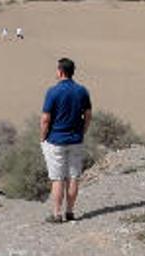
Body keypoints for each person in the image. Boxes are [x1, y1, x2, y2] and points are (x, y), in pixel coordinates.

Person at [39, 57, 92, 223]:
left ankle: (57, 213)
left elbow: (45, 119)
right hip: (76, 140)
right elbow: (88, 115)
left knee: (57, 178)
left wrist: (43, 137)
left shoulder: (53, 91)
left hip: (56, 140)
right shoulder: (82, 91)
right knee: (73, 177)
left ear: (61, 71)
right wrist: (82, 131)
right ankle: (70, 212)